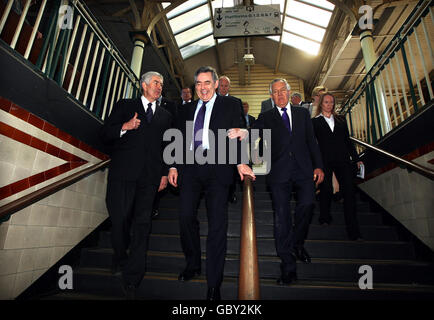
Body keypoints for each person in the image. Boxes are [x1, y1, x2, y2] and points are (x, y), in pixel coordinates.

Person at [167, 66, 255, 300]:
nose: (203, 88)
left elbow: (237, 134)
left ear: (216, 84)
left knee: (217, 226)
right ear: (194, 86)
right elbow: (177, 137)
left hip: (219, 170)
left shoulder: (231, 105)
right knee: (185, 217)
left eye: (207, 83)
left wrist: (240, 163)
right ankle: (193, 263)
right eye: (198, 83)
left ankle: (214, 283)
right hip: (190, 169)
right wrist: (173, 166)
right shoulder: (185, 110)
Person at [100, 71, 172, 299]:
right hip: (123, 175)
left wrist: (163, 174)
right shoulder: (125, 105)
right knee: (119, 219)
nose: (159, 87)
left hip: (149, 180)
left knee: (142, 226)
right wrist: (125, 126)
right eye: (155, 83)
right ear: (143, 85)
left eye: (161, 84)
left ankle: (133, 277)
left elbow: (166, 147)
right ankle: (120, 255)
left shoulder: (165, 116)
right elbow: (105, 133)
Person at [252, 78, 324, 285]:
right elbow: (254, 132)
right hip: (279, 173)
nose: (280, 95)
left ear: (289, 92)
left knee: (308, 205)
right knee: (282, 218)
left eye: (283, 90)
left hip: (304, 170)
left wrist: (318, 166)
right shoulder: (266, 116)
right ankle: (288, 265)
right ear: (271, 96)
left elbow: (311, 141)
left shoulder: (302, 114)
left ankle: (297, 243)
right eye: (275, 92)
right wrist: (242, 131)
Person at [312, 92, 363, 241]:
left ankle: (354, 232)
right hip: (325, 161)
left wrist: (356, 158)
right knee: (326, 189)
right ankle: (324, 217)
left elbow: (347, 140)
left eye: (332, 102)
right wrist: (315, 163)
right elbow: (312, 144)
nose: (329, 105)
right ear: (321, 104)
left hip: (343, 161)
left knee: (349, 193)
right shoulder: (314, 122)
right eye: (326, 102)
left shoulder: (341, 119)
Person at [217, 75, 246, 204]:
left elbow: (242, 123)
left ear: (229, 87)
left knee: (231, 171)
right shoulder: (208, 101)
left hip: (231, 142)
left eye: (226, 86)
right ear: (217, 86)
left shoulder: (236, 102)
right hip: (214, 144)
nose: (223, 88)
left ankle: (231, 193)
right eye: (221, 85)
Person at [151, 94, 178, 219]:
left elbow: (174, 127)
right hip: (146, 152)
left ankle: (154, 207)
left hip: (163, 149)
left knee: (158, 181)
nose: (158, 87)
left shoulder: (171, 105)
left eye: (160, 84)